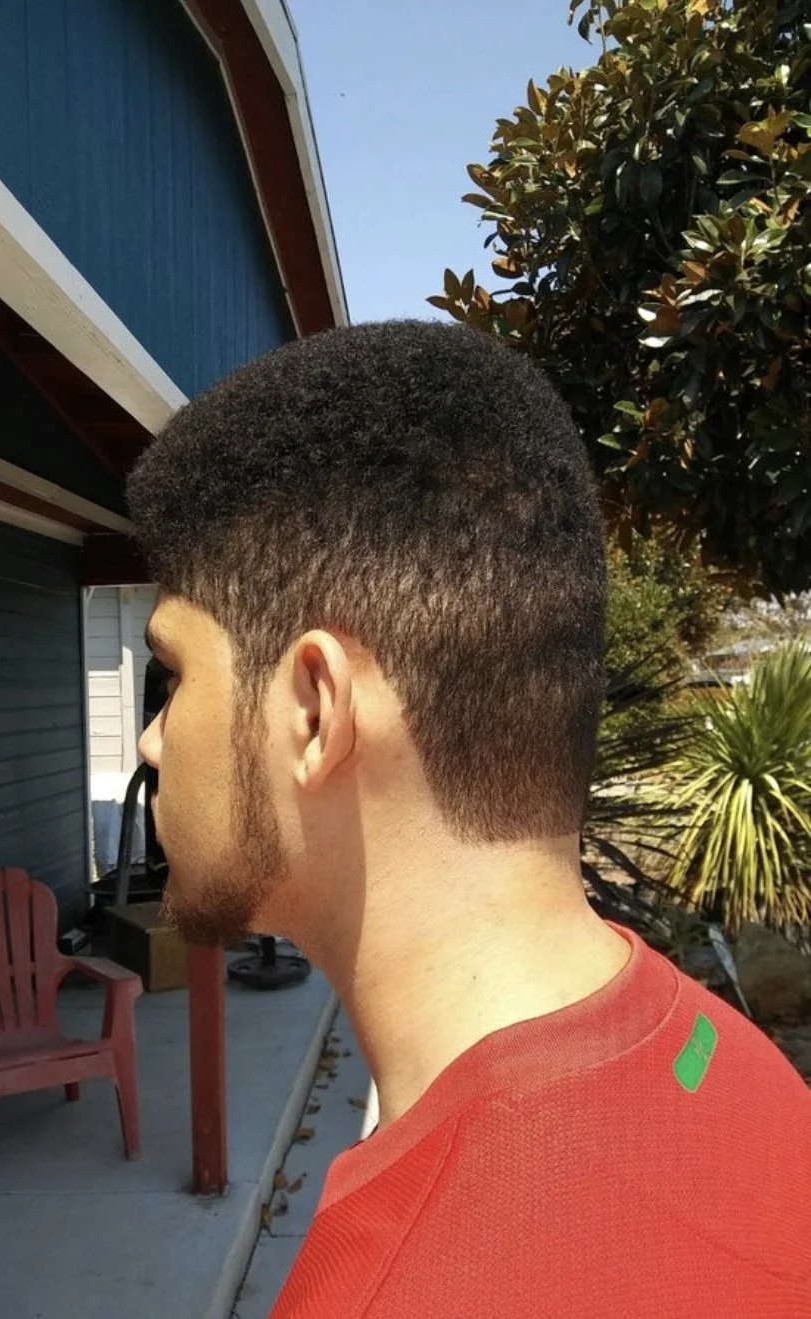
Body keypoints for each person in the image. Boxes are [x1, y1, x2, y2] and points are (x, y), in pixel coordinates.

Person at [128, 321, 810, 1318]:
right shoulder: (737, 1063)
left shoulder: (390, 1286)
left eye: (173, 672)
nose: (152, 740)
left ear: (314, 709)